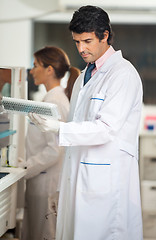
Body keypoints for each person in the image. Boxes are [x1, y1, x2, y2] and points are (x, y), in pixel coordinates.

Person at [29, 6, 143, 240]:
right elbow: (77, 135)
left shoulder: (122, 75)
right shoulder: (84, 77)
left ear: (105, 36)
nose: (81, 48)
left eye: (88, 41)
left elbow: (106, 129)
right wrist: (61, 188)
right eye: (77, 42)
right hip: (77, 181)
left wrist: (59, 128)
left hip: (106, 185)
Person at [21, 46, 80, 240]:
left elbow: (55, 149)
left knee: (44, 234)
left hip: (46, 184)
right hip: (42, 181)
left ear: (49, 70)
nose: (31, 70)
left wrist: (25, 168)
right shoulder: (52, 98)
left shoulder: (53, 102)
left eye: (35, 65)